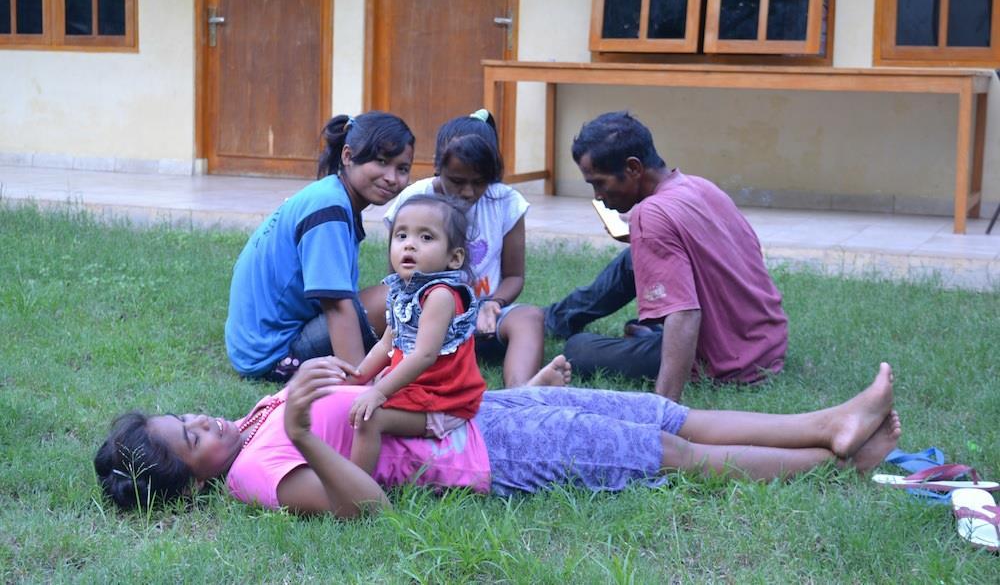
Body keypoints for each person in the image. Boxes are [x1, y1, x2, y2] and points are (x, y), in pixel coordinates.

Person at [94, 359, 901, 518]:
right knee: (665, 457)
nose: (204, 420)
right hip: (483, 456)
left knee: (661, 416)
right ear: (192, 480)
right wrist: (310, 424)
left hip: (491, 414)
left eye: (187, 415)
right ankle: (830, 461)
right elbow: (367, 504)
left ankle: (829, 425)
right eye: (190, 437)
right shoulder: (256, 471)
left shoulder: (253, 422)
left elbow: (372, 386)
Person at [545, 111, 788, 402]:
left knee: (578, 348)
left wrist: (664, 406)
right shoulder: (698, 186)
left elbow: (685, 313)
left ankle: (565, 326)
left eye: (599, 183)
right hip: (767, 346)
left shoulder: (651, 214)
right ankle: (551, 320)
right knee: (632, 259)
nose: (597, 196)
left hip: (729, 363)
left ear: (633, 168)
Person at [225, 112, 415, 381]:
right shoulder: (329, 208)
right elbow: (337, 305)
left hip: (258, 346)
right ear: (348, 156)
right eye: (381, 162)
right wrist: (358, 385)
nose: (392, 177)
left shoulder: (332, 196)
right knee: (400, 299)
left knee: (397, 295)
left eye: (402, 168)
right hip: (273, 355)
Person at [382, 110, 548, 387]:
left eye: (480, 181)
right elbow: (398, 277)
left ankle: (521, 394)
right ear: (438, 166)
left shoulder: (506, 202)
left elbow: (514, 276)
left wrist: (494, 304)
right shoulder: (416, 200)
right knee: (375, 301)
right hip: (425, 316)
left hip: (484, 320)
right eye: (457, 181)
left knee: (529, 317)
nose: (469, 192)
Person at [340, 194, 487, 474]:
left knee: (370, 418)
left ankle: (356, 494)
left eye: (426, 238)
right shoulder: (403, 291)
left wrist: (378, 393)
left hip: (443, 401)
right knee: (359, 391)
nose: (409, 244)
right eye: (401, 235)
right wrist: (356, 377)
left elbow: (424, 355)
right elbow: (386, 345)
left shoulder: (440, 296)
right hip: (419, 389)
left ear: (454, 258)